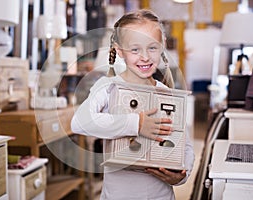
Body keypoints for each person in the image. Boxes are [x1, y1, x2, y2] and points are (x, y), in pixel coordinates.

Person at [71, 9, 195, 200]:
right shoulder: (109, 87)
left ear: (162, 46)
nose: (145, 57)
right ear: (119, 51)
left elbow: (184, 145)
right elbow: (79, 121)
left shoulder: (167, 94)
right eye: (135, 49)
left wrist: (180, 176)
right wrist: (136, 124)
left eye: (152, 48)